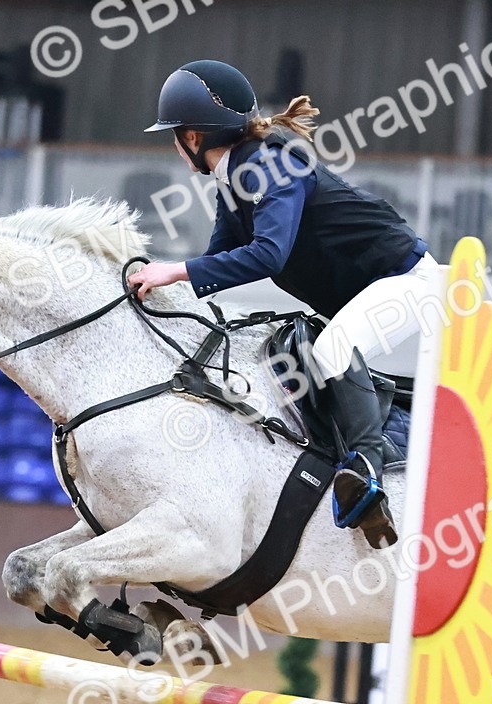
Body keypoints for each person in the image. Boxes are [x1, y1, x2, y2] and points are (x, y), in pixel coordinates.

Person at [135, 60, 436, 549]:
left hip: (411, 282)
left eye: (173, 136)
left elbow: (268, 253)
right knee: (305, 350)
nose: (174, 146)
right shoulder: (233, 178)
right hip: (372, 290)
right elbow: (216, 262)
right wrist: (155, 285)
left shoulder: (272, 162)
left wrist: (175, 269)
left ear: (192, 137)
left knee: (332, 348)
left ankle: (366, 471)